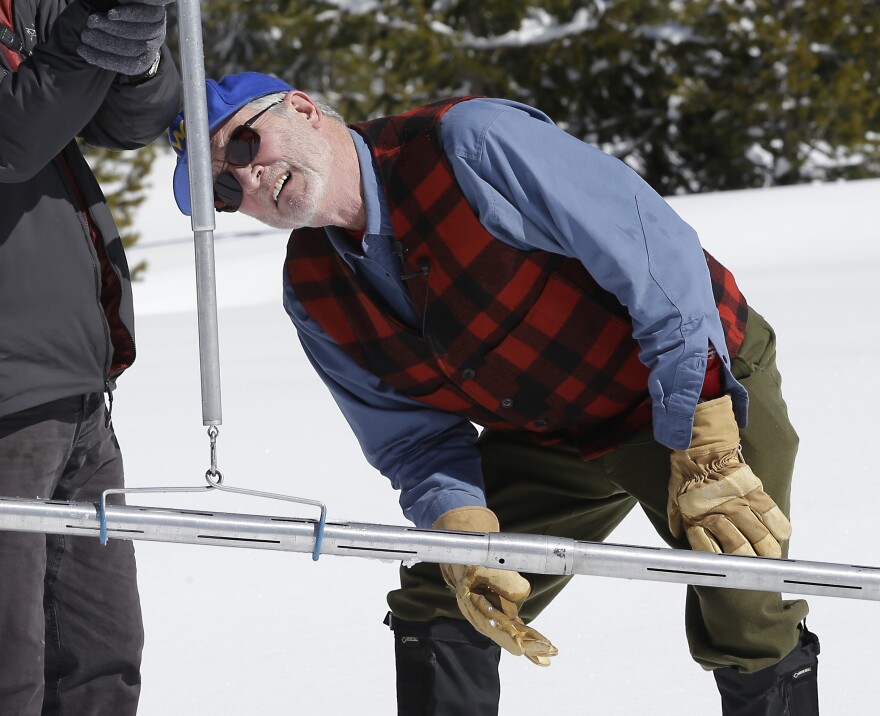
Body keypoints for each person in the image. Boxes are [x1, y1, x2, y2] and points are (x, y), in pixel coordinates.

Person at [168, 72, 820, 715]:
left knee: (743, 592)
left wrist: (705, 435)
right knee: (444, 601)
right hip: (550, 433)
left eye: (245, 146)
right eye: (223, 187)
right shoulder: (313, 290)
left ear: (304, 109)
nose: (247, 178)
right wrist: (464, 530)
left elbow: (660, 266)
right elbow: (413, 440)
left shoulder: (472, 145)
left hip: (688, 382)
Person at [0, 0, 180, 712]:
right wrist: (84, 39)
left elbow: (128, 124)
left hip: (75, 385)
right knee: (9, 665)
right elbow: (16, 133)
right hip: (8, 395)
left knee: (102, 658)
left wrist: (138, 60)